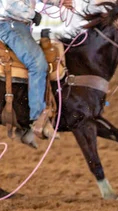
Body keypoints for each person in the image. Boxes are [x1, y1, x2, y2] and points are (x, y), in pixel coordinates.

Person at [0, 0, 74, 147]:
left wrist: (59, 2)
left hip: (18, 25)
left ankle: (23, 124)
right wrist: (33, 14)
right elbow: (10, 4)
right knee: (37, 64)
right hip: (10, 25)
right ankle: (37, 118)